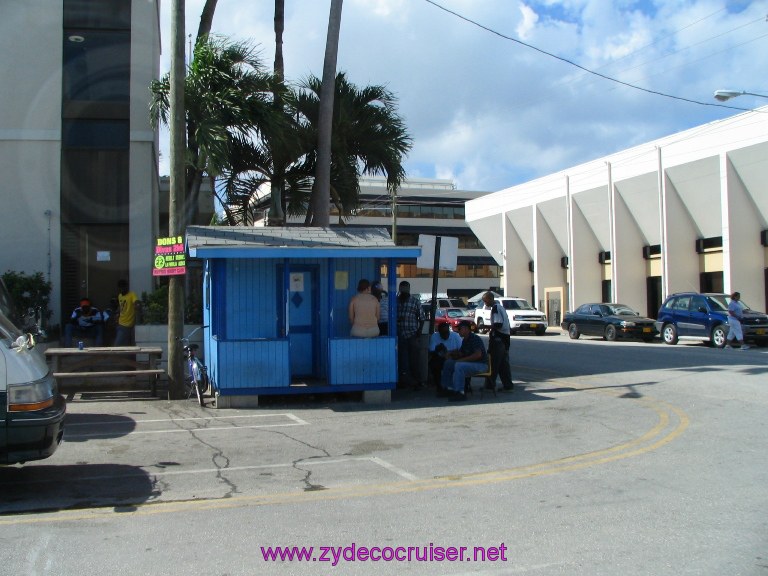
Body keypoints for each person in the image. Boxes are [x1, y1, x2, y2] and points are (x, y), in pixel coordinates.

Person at [439, 320, 488, 401]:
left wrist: (462, 360)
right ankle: (449, 388)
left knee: (459, 365)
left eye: (459, 329)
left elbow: (478, 355)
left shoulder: (475, 339)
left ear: (465, 329)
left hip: (481, 365)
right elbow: (461, 353)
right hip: (470, 364)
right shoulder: (465, 340)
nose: (458, 331)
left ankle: (460, 392)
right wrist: (450, 353)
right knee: (449, 363)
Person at [481, 291, 514, 391]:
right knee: (503, 364)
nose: (485, 303)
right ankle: (508, 385)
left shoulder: (496, 308)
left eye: (485, 301)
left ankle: (489, 385)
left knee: (493, 363)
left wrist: (485, 326)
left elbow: (498, 324)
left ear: (490, 299)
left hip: (498, 340)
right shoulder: (500, 308)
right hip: (504, 339)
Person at [396, 280, 425, 388]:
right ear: (399, 289)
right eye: (401, 288)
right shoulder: (395, 301)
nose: (403, 290)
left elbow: (422, 318)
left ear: (409, 289)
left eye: (405, 288)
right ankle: (402, 381)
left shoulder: (415, 301)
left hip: (412, 334)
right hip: (399, 334)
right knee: (401, 359)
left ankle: (417, 381)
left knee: (414, 360)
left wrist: (419, 331)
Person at [428, 322, 462, 389]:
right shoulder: (435, 336)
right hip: (441, 358)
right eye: (443, 333)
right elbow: (432, 351)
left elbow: (462, 350)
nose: (445, 335)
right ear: (439, 332)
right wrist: (439, 350)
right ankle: (439, 385)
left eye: (447, 332)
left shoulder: (456, 336)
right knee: (434, 363)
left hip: (454, 357)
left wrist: (449, 353)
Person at [113, 279, 141, 346]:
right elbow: (121, 306)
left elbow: (136, 302)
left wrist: (137, 305)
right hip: (122, 324)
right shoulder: (120, 296)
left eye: (124, 287)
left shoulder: (132, 295)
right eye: (121, 287)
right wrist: (117, 313)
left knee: (123, 345)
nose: (122, 289)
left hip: (129, 324)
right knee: (119, 345)